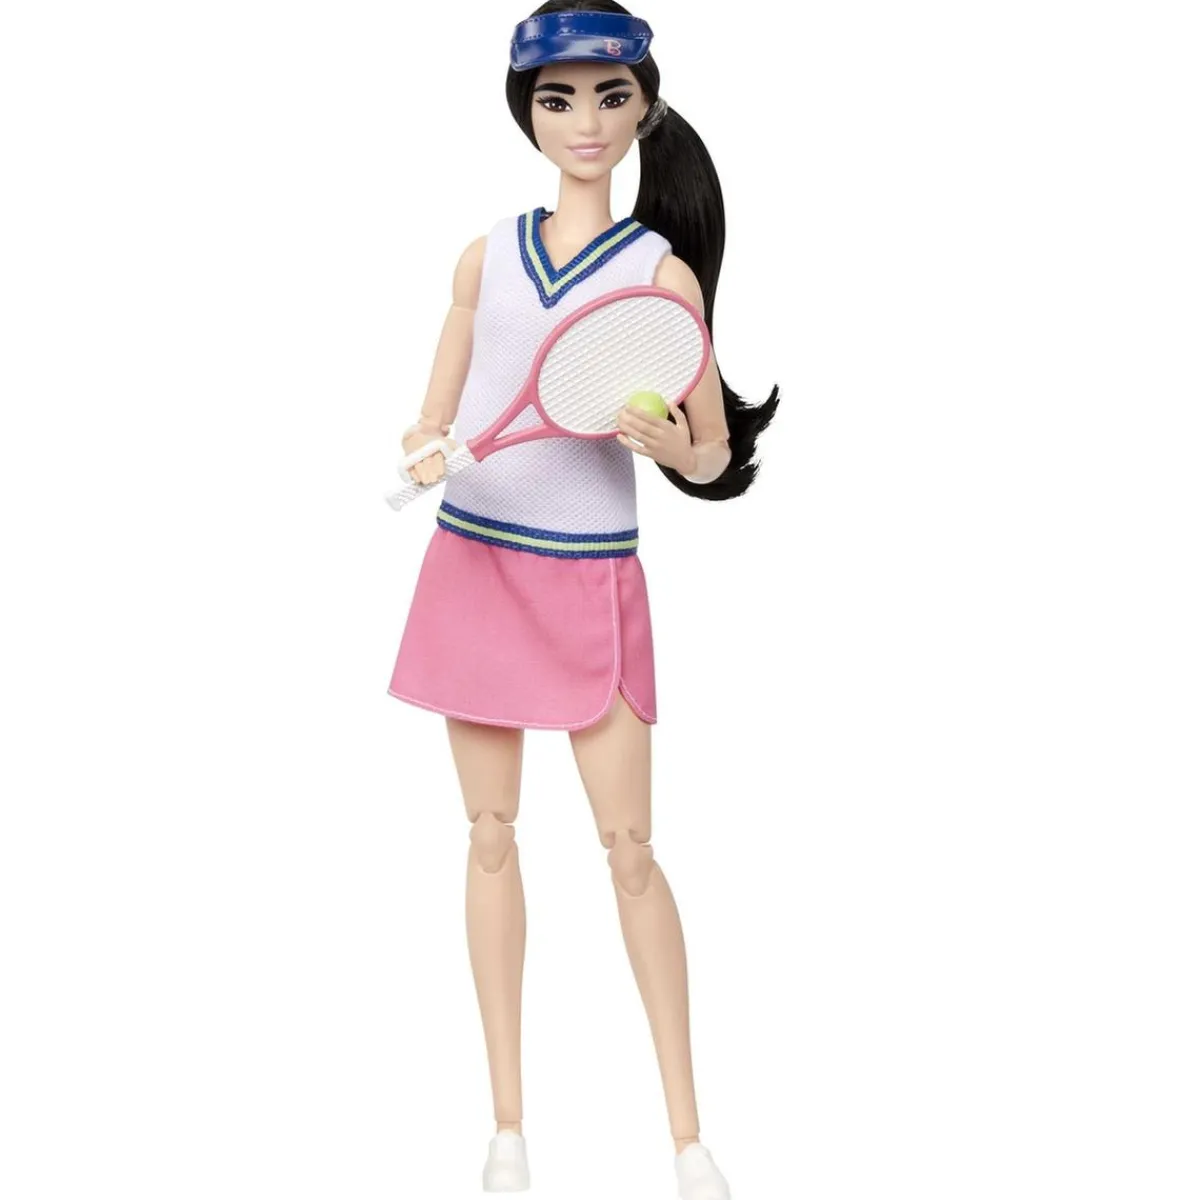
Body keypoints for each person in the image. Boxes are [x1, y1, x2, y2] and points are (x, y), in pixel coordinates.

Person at [387, 5, 778, 1195]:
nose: (585, 122)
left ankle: (687, 1135)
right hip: (474, 558)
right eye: (558, 100)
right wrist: (423, 444)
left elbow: (713, 450)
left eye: (609, 97)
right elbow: (433, 409)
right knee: (488, 836)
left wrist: (672, 448)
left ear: (643, 107)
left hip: (591, 575)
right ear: (528, 115)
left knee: (630, 849)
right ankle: (507, 1129)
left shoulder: (658, 276)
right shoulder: (485, 256)